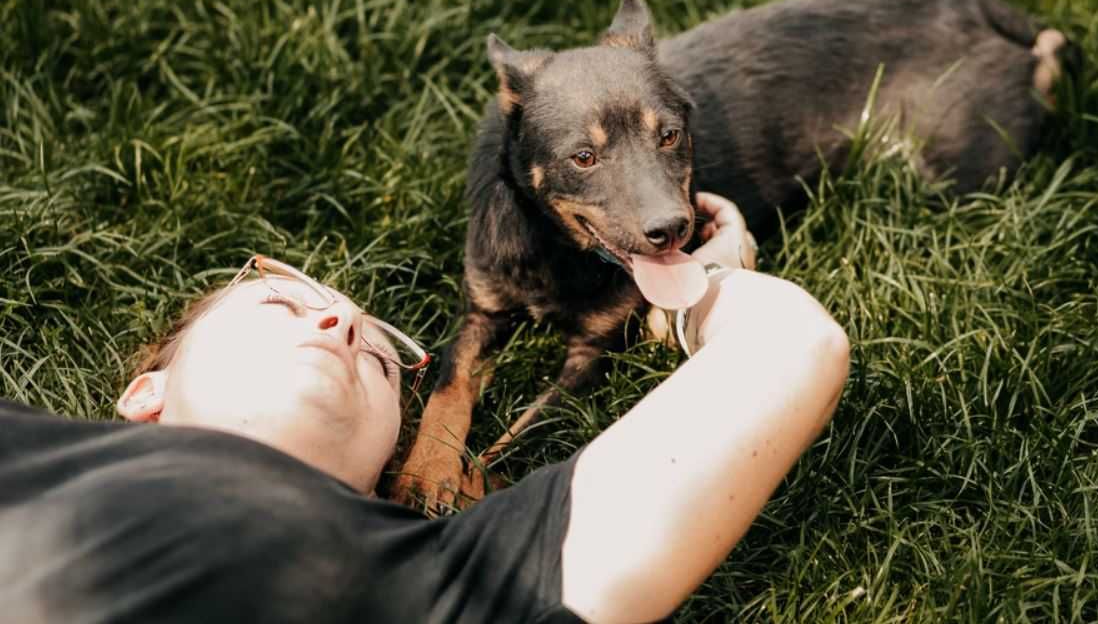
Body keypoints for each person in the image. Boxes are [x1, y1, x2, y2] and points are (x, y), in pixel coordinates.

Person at [0, 192, 849, 624]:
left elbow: (791, 351)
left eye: (378, 352)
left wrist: (683, 290)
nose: (340, 318)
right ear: (145, 397)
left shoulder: (454, 577)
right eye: (280, 305)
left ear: (388, 467)